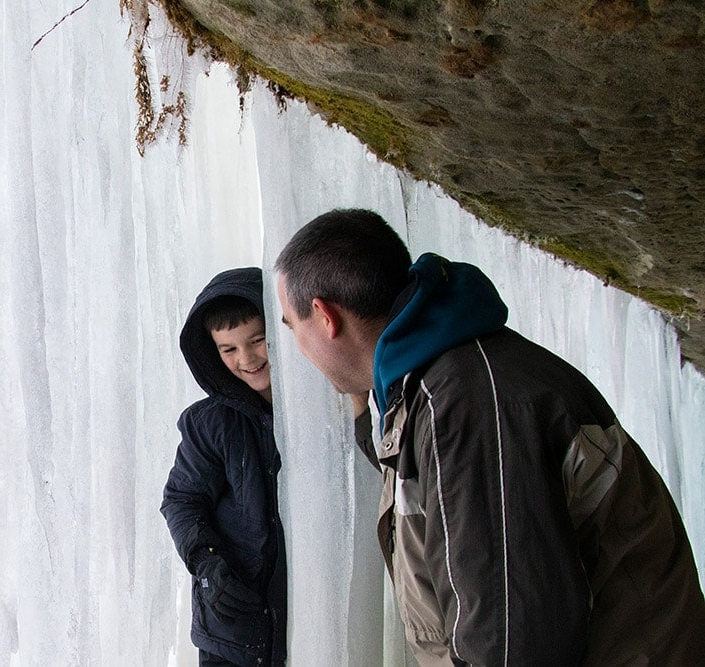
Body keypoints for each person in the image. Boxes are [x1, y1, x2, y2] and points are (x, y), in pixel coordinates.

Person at [274, 208, 705, 665]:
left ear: (324, 316)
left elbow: (511, 646)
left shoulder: (469, 409)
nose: (298, 351)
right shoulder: (438, 386)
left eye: (291, 326)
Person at [161, 267, 287, 667]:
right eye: (228, 349)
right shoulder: (209, 422)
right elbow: (181, 500)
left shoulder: (322, 406)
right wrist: (207, 562)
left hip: (301, 609)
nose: (247, 359)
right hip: (231, 621)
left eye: (258, 340)